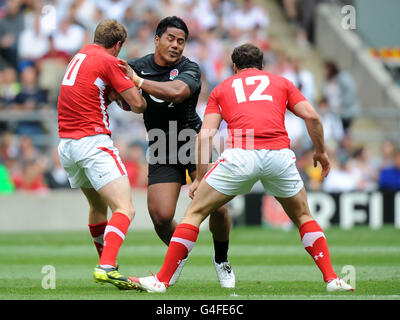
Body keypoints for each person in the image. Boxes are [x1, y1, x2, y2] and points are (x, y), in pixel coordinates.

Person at [129, 43, 354, 293]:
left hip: (241, 155)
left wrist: (199, 178)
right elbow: (312, 116)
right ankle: (332, 279)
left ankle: (162, 280)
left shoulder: (222, 88)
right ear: (262, 65)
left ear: (234, 67)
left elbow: (205, 136)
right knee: (303, 216)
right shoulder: (281, 83)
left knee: (193, 214)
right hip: (279, 155)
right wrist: (321, 151)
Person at [119, 16, 235, 288]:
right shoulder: (137, 66)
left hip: (193, 139)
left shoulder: (190, 68)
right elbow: (112, 83)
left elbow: (177, 92)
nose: (175, 45)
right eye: (170, 39)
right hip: (160, 144)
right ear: (157, 39)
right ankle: (179, 254)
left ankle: (221, 259)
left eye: (181, 41)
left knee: (216, 206)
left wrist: (137, 82)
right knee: (160, 216)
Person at [56, 19, 147, 290]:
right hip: (92, 142)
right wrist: (132, 81)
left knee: (97, 207)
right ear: (117, 45)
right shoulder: (109, 61)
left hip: (68, 145)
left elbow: (95, 93)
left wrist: (112, 94)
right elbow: (138, 105)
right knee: (125, 208)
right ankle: (106, 266)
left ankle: (107, 264)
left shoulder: (81, 55)